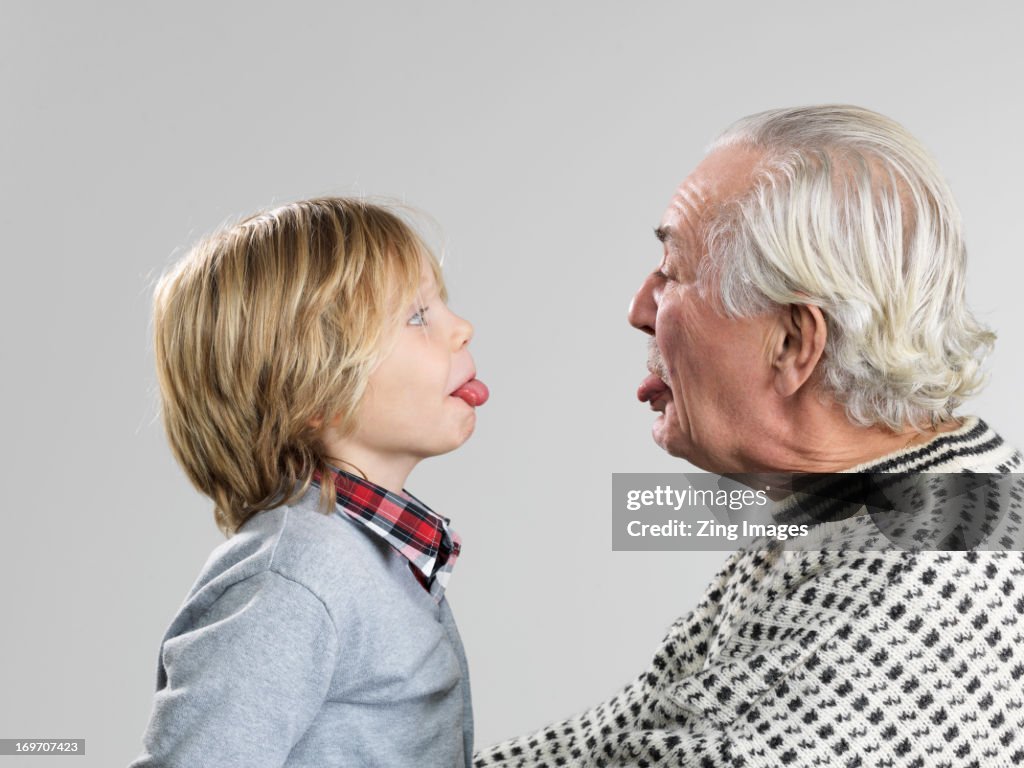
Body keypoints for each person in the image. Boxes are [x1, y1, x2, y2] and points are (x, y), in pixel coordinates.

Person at [475, 105, 1024, 767]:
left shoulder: (924, 593)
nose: (638, 309)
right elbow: (624, 730)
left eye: (674, 272)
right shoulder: (864, 500)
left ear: (792, 341)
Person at [131, 198, 488, 767]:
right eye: (417, 316)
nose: (461, 328)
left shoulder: (374, 559)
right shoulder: (298, 576)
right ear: (312, 391)